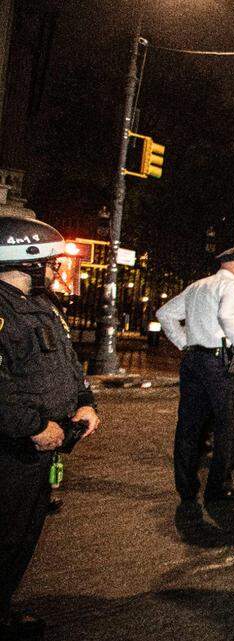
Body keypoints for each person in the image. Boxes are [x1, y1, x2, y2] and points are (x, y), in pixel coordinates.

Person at [0, 215, 101, 639]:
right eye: (51, 260)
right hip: (14, 446)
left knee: (22, 533)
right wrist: (34, 426)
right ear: (27, 261)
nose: (58, 269)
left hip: (44, 443)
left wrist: (84, 402)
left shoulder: (41, 305)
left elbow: (65, 362)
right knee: (5, 533)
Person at [157, 245, 234, 505]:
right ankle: (217, 488)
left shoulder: (197, 286)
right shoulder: (233, 287)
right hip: (220, 364)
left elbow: (165, 314)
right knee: (228, 426)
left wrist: (185, 344)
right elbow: (227, 316)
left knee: (189, 427)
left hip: (194, 361)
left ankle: (187, 487)